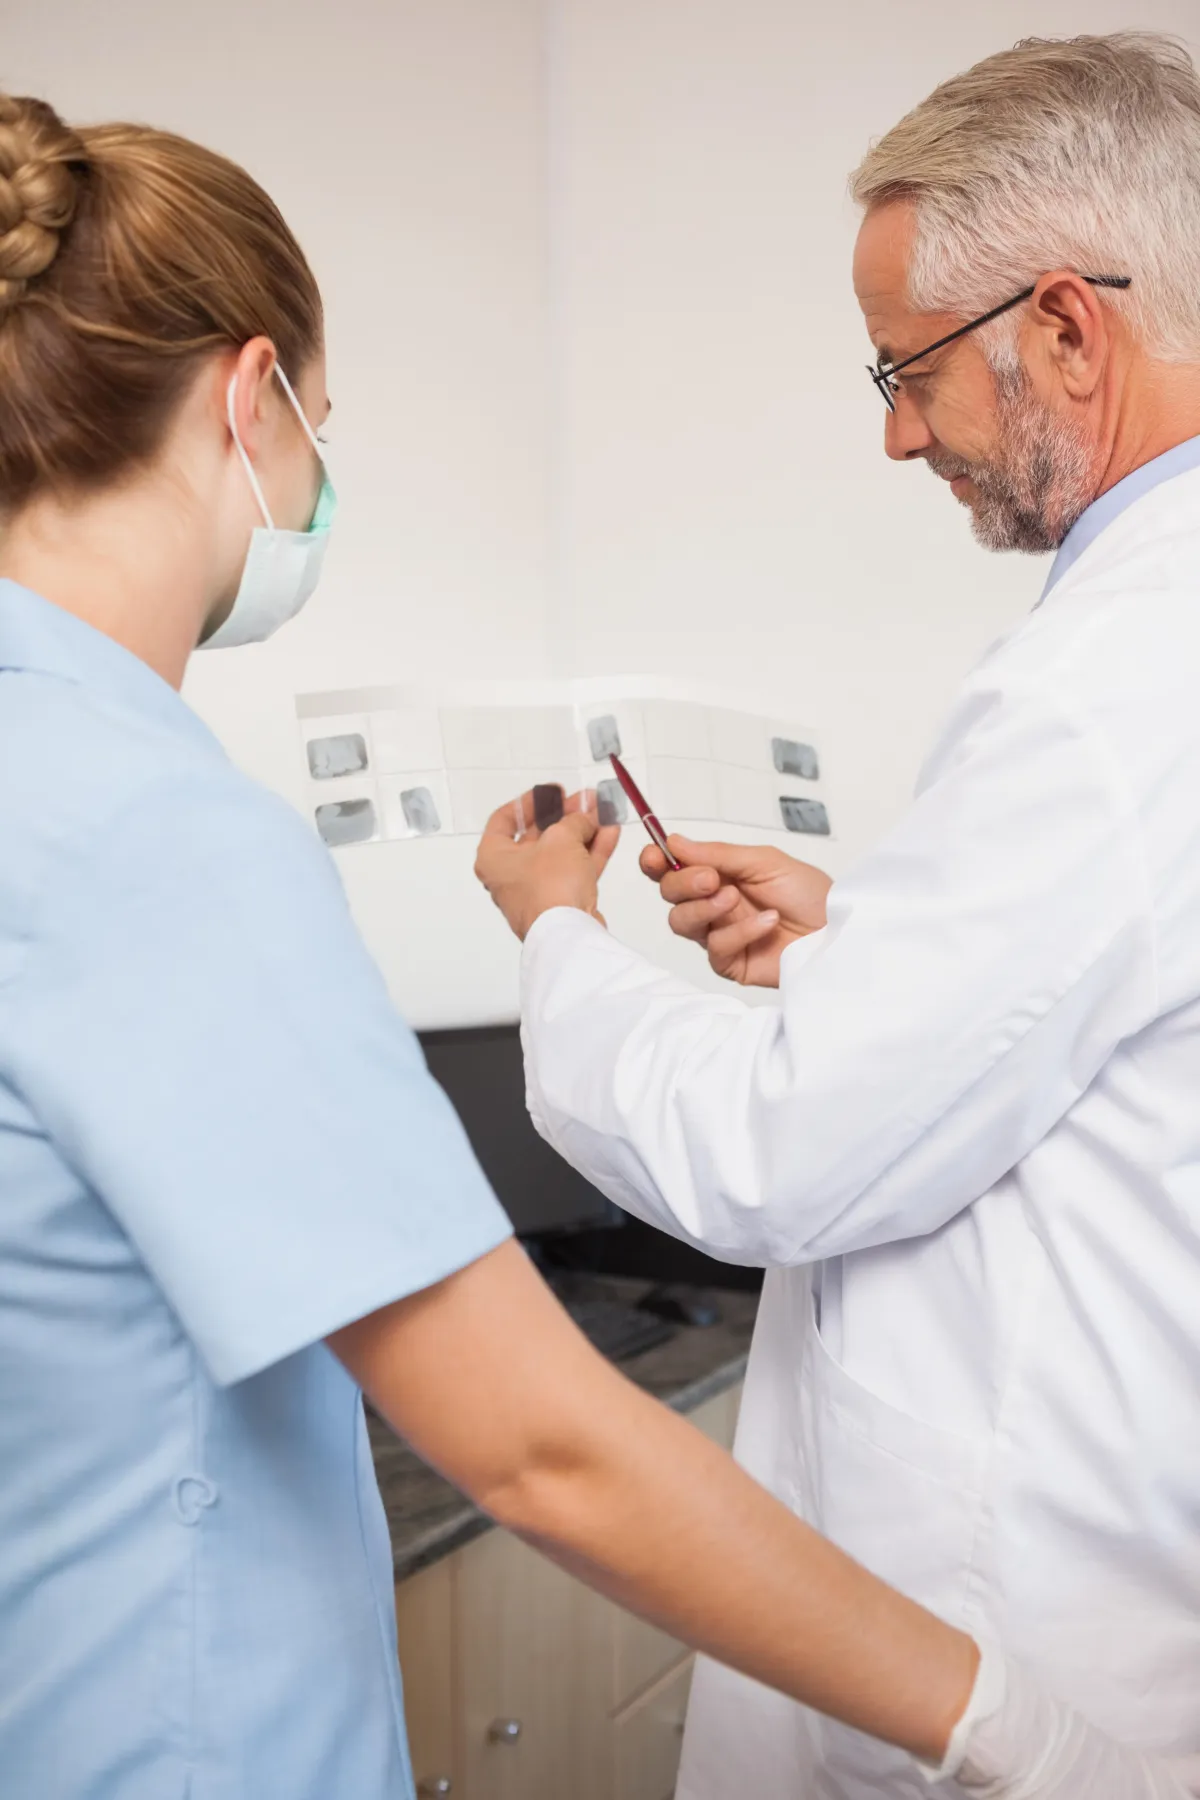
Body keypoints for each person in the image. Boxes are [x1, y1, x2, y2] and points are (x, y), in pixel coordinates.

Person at [2, 82, 1178, 1800]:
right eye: (323, 430)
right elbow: (545, 1437)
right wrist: (1017, 1729)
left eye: (906, 377)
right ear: (251, 404)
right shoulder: (156, 828)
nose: (900, 437)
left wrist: (847, 954)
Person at [474, 30, 1200, 1800]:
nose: (894, 434)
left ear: (1065, 328)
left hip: (1037, 1627)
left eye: (906, 369)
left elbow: (783, 1156)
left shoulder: (1106, 688)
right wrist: (859, 944)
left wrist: (553, 937)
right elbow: (1114, 1022)